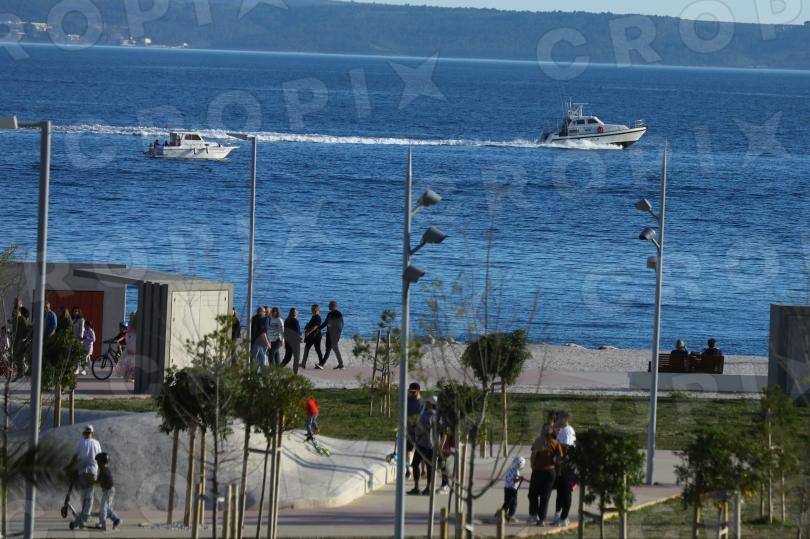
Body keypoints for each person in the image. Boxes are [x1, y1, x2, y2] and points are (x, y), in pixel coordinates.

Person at [527, 424, 563, 526]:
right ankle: (540, 519)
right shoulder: (555, 443)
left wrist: (532, 465)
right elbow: (560, 458)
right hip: (549, 472)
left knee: (533, 494)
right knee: (544, 496)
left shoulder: (539, 441)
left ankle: (535, 515)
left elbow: (533, 454)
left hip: (539, 471)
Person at [551, 411, 576, 527]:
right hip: (561, 467)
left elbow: (566, 449)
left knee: (566, 493)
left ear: (565, 419)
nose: (556, 420)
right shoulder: (562, 431)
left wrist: (556, 459)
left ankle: (564, 518)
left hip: (566, 467)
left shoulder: (567, 431)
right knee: (560, 492)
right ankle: (558, 516)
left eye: (558, 418)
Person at [407, 396, 436, 496]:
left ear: (430, 404)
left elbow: (419, 429)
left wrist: (415, 433)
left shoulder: (424, 415)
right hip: (433, 445)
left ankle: (417, 487)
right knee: (429, 467)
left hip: (422, 444)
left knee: (415, 464)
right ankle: (428, 488)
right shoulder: (437, 416)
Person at [74, 424, 102, 528]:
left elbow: (75, 456)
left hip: (82, 471)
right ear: (92, 433)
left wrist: (71, 466)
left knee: (83, 493)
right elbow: (100, 456)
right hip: (92, 471)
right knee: (90, 495)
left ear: (83, 433)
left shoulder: (80, 443)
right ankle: (86, 515)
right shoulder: (96, 443)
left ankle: (83, 513)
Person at [94, 452, 122, 530]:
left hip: (109, 491)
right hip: (108, 490)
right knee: (106, 508)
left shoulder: (104, 471)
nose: (97, 463)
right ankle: (116, 520)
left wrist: (90, 481)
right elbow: (99, 481)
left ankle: (103, 524)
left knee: (104, 508)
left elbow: (99, 481)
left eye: (98, 462)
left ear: (102, 462)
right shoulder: (103, 470)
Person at [405, 382, 424, 480]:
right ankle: (408, 470)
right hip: (409, 430)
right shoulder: (407, 401)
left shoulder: (423, 403)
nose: (411, 394)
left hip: (420, 432)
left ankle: (423, 471)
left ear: (418, 391)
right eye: (410, 392)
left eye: (413, 392)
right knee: (408, 451)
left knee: (421, 452)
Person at [317, 301, 344, 370]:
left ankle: (322, 364)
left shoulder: (339, 314)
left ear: (334, 306)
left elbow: (340, 326)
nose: (328, 307)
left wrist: (336, 333)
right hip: (329, 333)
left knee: (328, 349)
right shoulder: (329, 314)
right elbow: (325, 323)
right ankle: (341, 364)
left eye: (329, 306)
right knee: (334, 349)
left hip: (335, 335)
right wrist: (319, 328)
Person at [501, 456, 526, 522]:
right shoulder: (516, 471)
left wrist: (519, 478)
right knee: (513, 503)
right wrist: (519, 479)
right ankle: (510, 515)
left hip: (507, 488)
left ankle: (503, 514)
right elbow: (514, 480)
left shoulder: (510, 469)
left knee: (507, 502)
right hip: (512, 489)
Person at [11, 307, 31, 381]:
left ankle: (21, 372)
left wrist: (24, 338)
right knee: (18, 356)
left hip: (22, 341)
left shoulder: (22, 320)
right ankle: (21, 371)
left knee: (18, 356)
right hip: (19, 340)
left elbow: (26, 330)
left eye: (18, 311)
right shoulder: (20, 319)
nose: (17, 312)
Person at [301, 305, 323, 369]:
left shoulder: (318, 317)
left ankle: (321, 363)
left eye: (313, 309)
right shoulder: (314, 317)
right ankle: (303, 363)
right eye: (312, 309)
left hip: (315, 335)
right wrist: (307, 326)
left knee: (314, 349)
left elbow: (316, 326)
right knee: (310, 349)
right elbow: (313, 325)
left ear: (317, 310)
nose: (312, 310)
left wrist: (309, 332)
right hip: (313, 335)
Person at [282, 308, 303, 373]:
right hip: (295, 342)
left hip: (288, 341)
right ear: (296, 314)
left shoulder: (287, 320)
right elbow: (298, 332)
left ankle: (278, 369)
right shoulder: (295, 321)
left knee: (287, 358)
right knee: (296, 358)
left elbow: (284, 331)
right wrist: (300, 336)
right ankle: (295, 373)